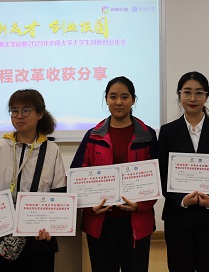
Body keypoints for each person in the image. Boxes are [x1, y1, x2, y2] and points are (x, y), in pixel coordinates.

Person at [70, 76, 157, 272]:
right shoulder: (92, 136)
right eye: (113, 97)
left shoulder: (147, 135)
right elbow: (77, 175)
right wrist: (90, 207)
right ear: (106, 99)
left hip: (136, 223)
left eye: (124, 97)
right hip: (100, 224)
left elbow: (156, 178)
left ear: (133, 99)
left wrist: (140, 205)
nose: (118, 102)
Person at [0, 89, 66, 271]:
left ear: (40, 114)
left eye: (26, 110)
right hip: (2, 238)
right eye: (14, 110)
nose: (19, 116)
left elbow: (59, 194)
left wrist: (50, 226)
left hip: (39, 239)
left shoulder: (52, 150)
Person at [157, 71, 209, 271]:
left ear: (206, 96)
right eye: (187, 92)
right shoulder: (167, 131)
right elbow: (162, 174)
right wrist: (182, 200)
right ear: (179, 95)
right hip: (178, 217)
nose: (193, 98)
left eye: (199, 93)